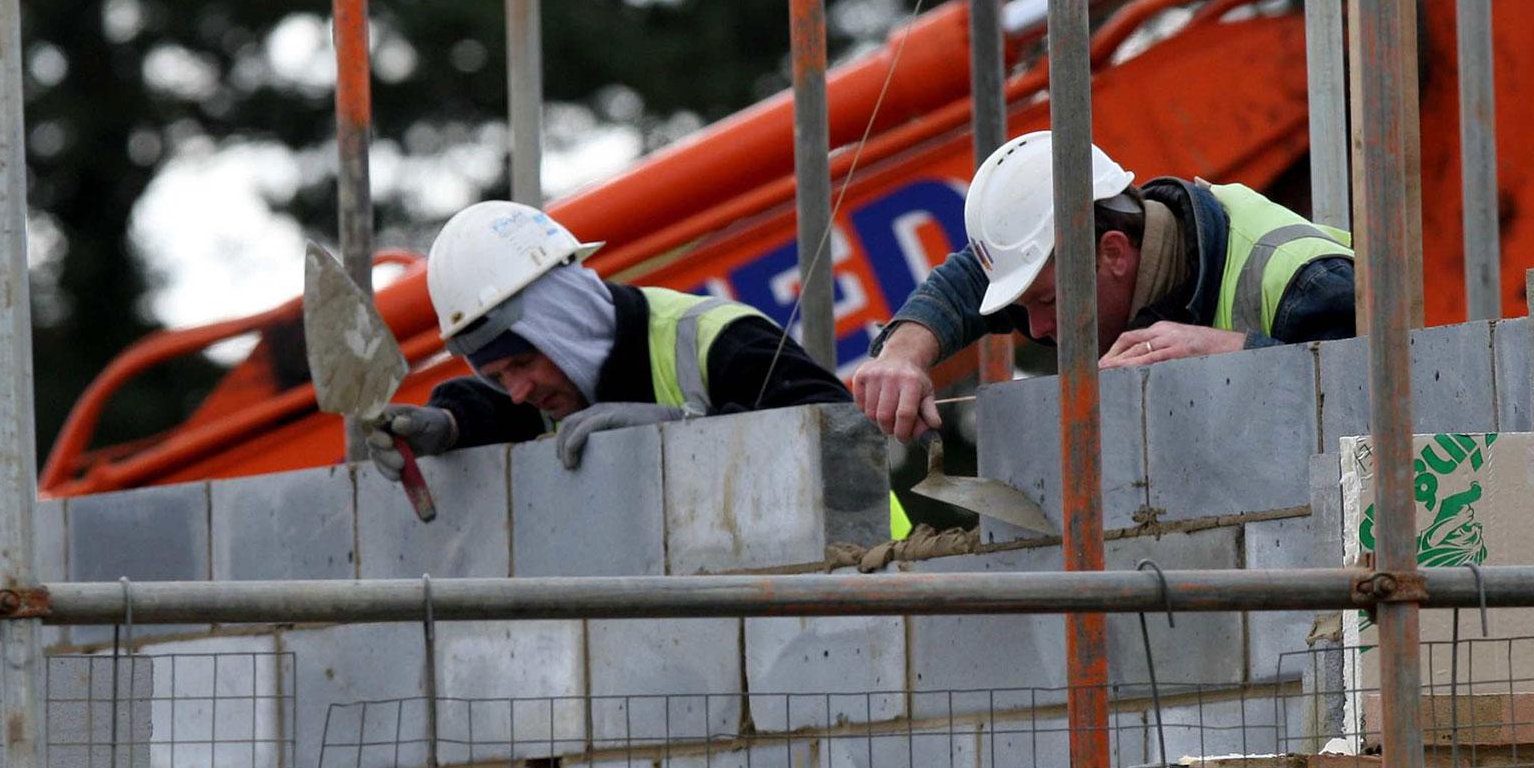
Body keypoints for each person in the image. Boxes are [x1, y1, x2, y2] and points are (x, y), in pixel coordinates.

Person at [852, 131, 1357, 440]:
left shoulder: (1300, 279)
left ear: (1113, 252)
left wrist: (1239, 353)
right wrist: (902, 354)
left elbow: (1404, 401)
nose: (1037, 327)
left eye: (1048, 302)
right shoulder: (1085, 260)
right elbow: (967, 280)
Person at [363, 200, 853, 476]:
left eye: (522, 363)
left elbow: (843, 435)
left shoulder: (719, 340)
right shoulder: (551, 389)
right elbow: (495, 412)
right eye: (497, 376)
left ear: (565, 322)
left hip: (860, 593)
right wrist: (447, 425)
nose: (518, 390)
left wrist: (679, 431)